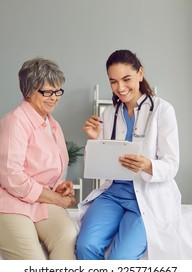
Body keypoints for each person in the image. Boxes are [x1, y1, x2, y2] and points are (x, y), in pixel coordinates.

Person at [75, 49, 185, 260]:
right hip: (113, 195)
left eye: (126, 79)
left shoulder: (162, 110)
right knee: (86, 246)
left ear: (140, 74)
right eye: (113, 82)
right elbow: (97, 167)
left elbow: (171, 164)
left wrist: (147, 165)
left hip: (147, 195)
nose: (120, 88)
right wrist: (95, 139)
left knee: (120, 260)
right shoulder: (109, 114)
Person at [0, 57, 77, 260]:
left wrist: (59, 188)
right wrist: (54, 199)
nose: (54, 97)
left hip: (38, 201)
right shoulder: (15, 122)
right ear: (29, 91)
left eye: (58, 91)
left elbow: (49, 171)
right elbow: (12, 177)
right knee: (33, 262)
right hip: (5, 202)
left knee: (68, 238)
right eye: (47, 92)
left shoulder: (52, 124)